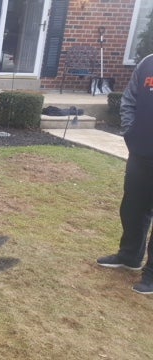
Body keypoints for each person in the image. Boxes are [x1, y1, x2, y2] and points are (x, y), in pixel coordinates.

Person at [97, 53, 153, 295]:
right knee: (132, 207)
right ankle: (129, 256)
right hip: (141, 152)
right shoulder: (147, 63)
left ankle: (151, 275)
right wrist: (130, 133)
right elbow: (129, 100)